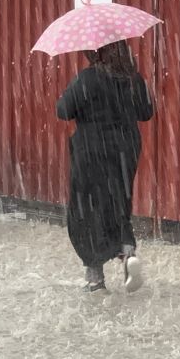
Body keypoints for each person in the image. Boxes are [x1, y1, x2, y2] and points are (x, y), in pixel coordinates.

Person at [56, 40, 154, 293]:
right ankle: (126, 250)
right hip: (126, 149)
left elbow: (63, 111)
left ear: (94, 52)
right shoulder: (133, 78)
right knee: (119, 200)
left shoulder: (87, 78)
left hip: (91, 150)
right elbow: (146, 113)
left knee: (86, 208)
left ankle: (95, 276)